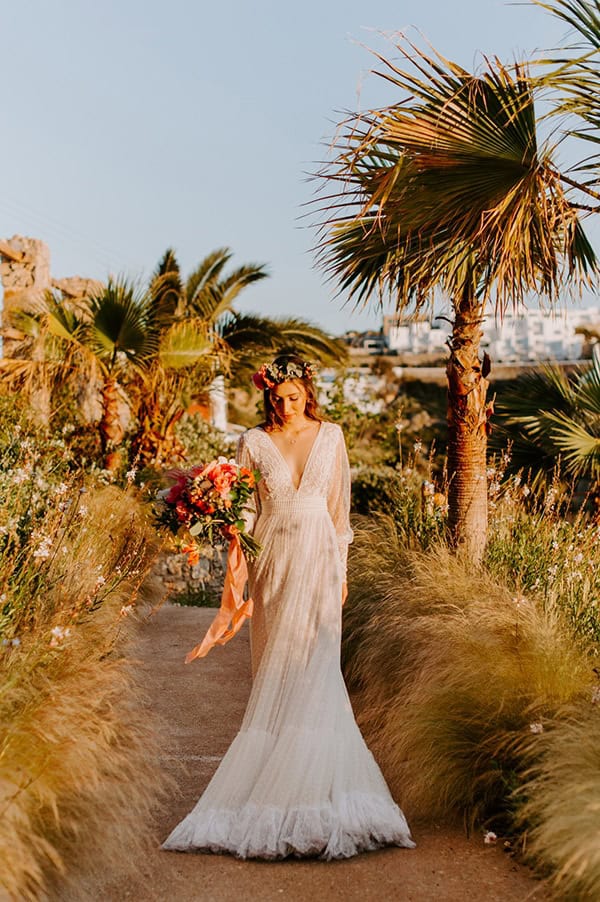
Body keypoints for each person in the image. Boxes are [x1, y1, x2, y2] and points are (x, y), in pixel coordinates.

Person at [162, 354, 415, 859]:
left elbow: (339, 513)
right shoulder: (253, 441)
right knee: (276, 666)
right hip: (272, 558)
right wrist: (224, 522)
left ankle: (318, 791)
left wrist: (342, 571)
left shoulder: (333, 436)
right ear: (267, 396)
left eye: (293, 397)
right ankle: (273, 786)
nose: (285, 406)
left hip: (321, 559)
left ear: (307, 392)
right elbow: (248, 509)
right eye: (277, 399)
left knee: (317, 667)